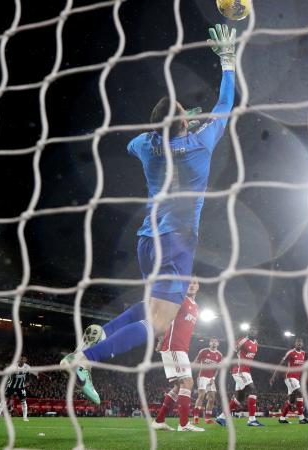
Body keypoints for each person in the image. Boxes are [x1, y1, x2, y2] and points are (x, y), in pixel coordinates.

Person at [59, 24, 238, 405]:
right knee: (160, 321)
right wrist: (227, 60)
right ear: (185, 124)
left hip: (146, 239)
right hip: (177, 243)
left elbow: (132, 142)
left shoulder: (144, 144)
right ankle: (86, 357)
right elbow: (225, 105)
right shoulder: (199, 144)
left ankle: (103, 334)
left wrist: (169, 126)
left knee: (152, 306)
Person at [151, 279, 203, 432]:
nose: (192, 285)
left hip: (182, 348)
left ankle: (159, 421)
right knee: (188, 382)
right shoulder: (179, 300)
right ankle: (184, 424)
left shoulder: (196, 306)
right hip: (173, 346)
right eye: (189, 283)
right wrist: (160, 339)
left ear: (199, 286)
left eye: (195, 283)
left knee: (178, 386)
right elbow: (165, 319)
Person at [217, 325, 265, 427]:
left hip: (246, 371)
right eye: (251, 329)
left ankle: (221, 417)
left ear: (257, 332)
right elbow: (232, 352)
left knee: (240, 398)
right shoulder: (242, 340)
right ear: (248, 331)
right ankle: (252, 420)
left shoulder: (256, 344)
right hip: (239, 370)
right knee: (253, 391)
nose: (253, 331)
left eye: (255, 329)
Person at [270, 338, 308, 424]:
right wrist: (273, 376)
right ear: (295, 344)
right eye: (297, 342)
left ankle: (282, 418)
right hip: (290, 377)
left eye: (300, 343)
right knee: (300, 393)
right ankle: (301, 418)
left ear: (302, 344)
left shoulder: (303, 353)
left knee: (291, 400)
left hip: (296, 379)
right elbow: (281, 364)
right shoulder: (290, 352)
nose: (299, 344)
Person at [0, 356, 40, 422]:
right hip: (11, 386)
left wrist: (36, 374)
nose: (22, 361)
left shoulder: (27, 367)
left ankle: (25, 418)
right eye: (20, 359)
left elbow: (33, 373)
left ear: (25, 360)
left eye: (23, 360)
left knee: (23, 401)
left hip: (21, 387)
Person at [192, 337, 222, 424]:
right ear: (209, 343)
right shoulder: (203, 351)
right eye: (212, 341)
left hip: (211, 378)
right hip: (202, 376)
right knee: (201, 395)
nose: (214, 343)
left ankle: (208, 418)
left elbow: (217, 369)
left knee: (212, 398)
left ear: (218, 344)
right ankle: (196, 417)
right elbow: (196, 361)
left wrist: (213, 378)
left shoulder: (219, 355)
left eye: (215, 342)